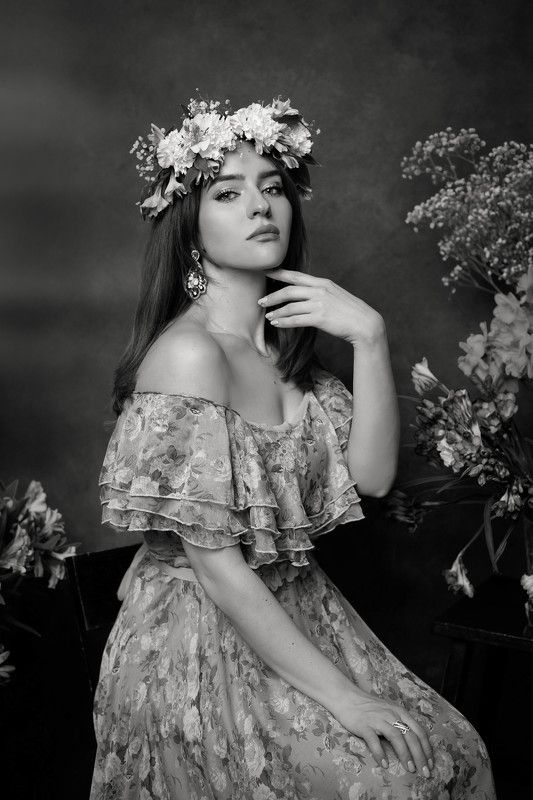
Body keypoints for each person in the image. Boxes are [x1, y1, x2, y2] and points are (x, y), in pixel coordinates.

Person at [90, 97, 496, 800]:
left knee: (457, 750)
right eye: (228, 193)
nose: (261, 206)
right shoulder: (188, 355)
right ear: (190, 231)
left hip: (301, 608)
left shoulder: (288, 354)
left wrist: (369, 336)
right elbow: (219, 572)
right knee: (389, 782)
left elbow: (372, 479)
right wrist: (345, 699)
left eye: (273, 187)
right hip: (201, 638)